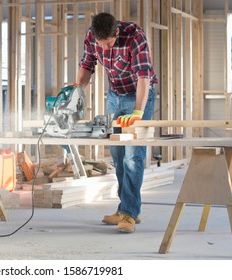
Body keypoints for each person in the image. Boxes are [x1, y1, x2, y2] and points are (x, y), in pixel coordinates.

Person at [75, 12, 158, 233]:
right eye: (100, 44)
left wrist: (138, 111)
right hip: (114, 96)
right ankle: (125, 208)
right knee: (118, 155)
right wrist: (75, 92)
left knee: (132, 155)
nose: (104, 49)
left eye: (108, 43)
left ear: (117, 33)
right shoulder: (93, 37)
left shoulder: (134, 35)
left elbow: (143, 76)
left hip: (138, 94)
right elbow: (87, 65)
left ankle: (130, 214)